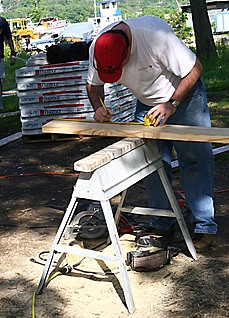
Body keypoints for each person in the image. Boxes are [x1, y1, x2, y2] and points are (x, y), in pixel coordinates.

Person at [86, 16, 217, 251]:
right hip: (147, 104)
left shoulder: (155, 37)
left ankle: (204, 226)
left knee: (195, 159)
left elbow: (195, 68)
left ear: (127, 53)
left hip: (184, 99)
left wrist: (171, 104)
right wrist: (98, 108)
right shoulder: (99, 47)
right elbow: (93, 86)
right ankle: (162, 222)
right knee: (150, 164)